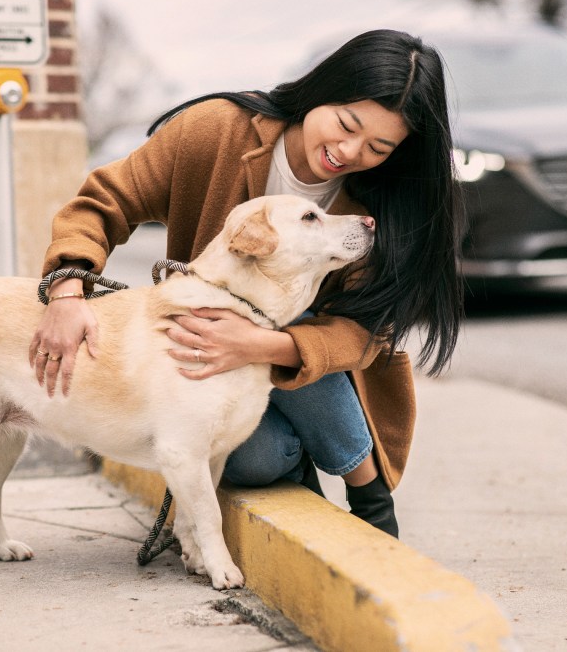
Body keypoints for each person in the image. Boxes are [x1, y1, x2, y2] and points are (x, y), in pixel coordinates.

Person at [28, 29, 464, 538]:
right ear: (321, 90)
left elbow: (361, 331)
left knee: (294, 319)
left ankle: (371, 500)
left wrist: (259, 343)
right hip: (205, 366)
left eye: (379, 147)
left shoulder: (373, 205)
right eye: (346, 124)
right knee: (255, 462)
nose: (349, 151)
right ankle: (298, 458)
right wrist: (66, 291)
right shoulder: (216, 131)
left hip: (316, 379)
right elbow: (105, 202)